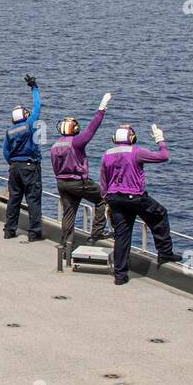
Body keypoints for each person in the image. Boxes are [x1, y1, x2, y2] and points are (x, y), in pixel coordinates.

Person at [99, 123, 179, 285]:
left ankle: (120, 275)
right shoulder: (136, 152)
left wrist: (106, 200)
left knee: (122, 235)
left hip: (114, 198)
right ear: (132, 138)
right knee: (159, 214)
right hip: (134, 197)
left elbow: (103, 180)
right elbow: (164, 156)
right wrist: (160, 139)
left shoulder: (107, 154)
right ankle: (164, 252)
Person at [50, 92, 111, 250]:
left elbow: (55, 168)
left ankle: (65, 245)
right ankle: (97, 232)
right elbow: (93, 127)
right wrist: (102, 108)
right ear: (74, 128)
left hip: (61, 183)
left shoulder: (55, 146)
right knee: (102, 197)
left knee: (68, 214)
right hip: (77, 182)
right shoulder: (76, 142)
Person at [2, 74, 43, 242]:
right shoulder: (30, 124)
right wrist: (34, 88)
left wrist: (12, 163)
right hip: (29, 166)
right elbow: (37, 106)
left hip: (14, 168)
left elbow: (5, 152)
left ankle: (9, 231)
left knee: (14, 199)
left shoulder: (9, 132)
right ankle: (34, 233)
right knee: (33, 200)